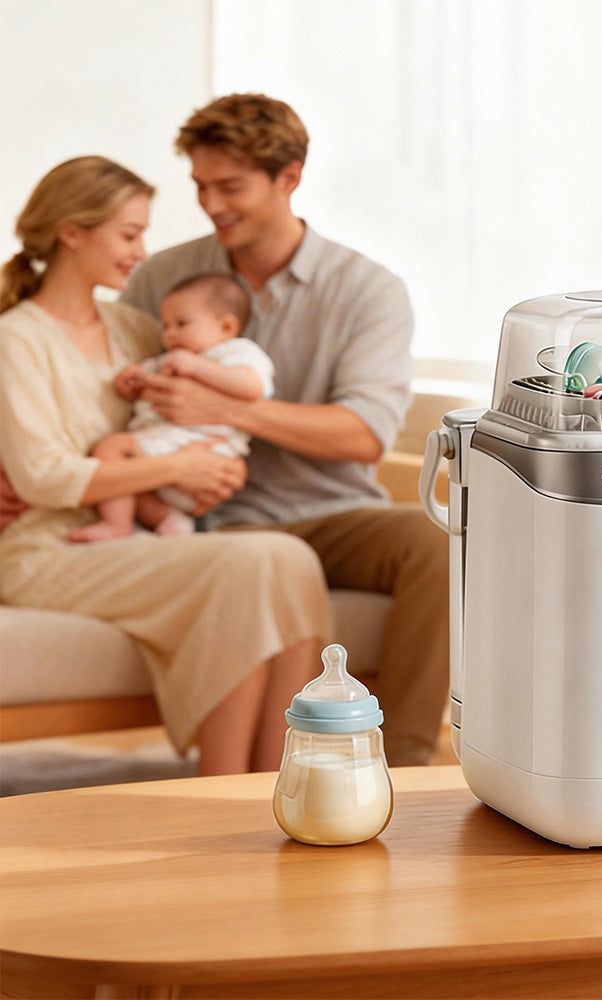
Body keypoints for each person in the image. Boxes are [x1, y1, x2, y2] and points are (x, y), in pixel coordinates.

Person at [119, 93, 449, 766]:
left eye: (230, 186)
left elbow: (363, 435)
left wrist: (228, 411)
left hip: (329, 513)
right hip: (209, 520)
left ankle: (406, 768)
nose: (211, 204)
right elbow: (100, 393)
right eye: (201, 186)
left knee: (440, 543)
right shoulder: (162, 279)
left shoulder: (366, 290)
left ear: (289, 177)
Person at [0, 155, 331, 775]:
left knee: (286, 559)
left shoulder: (132, 328)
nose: (141, 251)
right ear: (72, 231)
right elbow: (42, 477)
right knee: (255, 560)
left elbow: (183, 420)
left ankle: (277, 782)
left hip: (139, 532)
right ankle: (220, 790)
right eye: (129, 234)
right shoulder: (17, 337)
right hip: (46, 548)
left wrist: (213, 470)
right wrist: (178, 468)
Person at [68, 271, 275, 541]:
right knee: (128, 485)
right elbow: (145, 387)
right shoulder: (168, 359)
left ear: (226, 327)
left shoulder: (235, 353)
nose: (170, 334)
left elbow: (252, 387)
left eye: (181, 324)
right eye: (165, 326)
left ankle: (116, 525)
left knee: (110, 449)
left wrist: (200, 368)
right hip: (166, 450)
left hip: (203, 447)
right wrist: (131, 384)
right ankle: (169, 520)